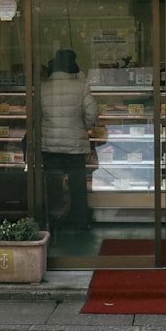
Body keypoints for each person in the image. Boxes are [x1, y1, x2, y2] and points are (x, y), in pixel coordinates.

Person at [40, 49, 98, 229]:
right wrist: (84, 127)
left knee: (53, 186)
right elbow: (93, 112)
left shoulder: (42, 87)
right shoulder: (81, 85)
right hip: (75, 146)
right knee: (77, 185)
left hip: (49, 145)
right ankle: (80, 221)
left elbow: (35, 115)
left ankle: (53, 222)